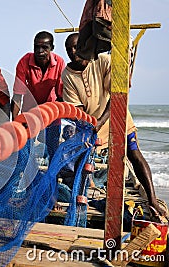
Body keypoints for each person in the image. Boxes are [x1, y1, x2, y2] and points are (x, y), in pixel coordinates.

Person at [62, 32, 167, 217]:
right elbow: (77, 109)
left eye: (77, 46)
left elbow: (116, 95)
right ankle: (80, 201)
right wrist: (89, 127)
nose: (74, 51)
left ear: (85, 47)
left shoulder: (102, 61)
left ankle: (152, 200)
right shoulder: (68, 75)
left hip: (119, 119)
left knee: (134, 155)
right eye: (69, 49)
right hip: (93, 125)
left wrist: (101, 120)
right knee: (82, 162)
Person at [11, 31, 65, 160]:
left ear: (52, 48)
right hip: (29, 110)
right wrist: (15, 122)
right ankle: (22, 176)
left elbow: (61, 96)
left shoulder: (59, 63)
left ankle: (52, 176)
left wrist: (52, 116)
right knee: (23, 149)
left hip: (51, 110)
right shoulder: (24, 62)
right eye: (37, 47)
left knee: (53, 148)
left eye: (45, 48)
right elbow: (17, 96)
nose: (40, 51)